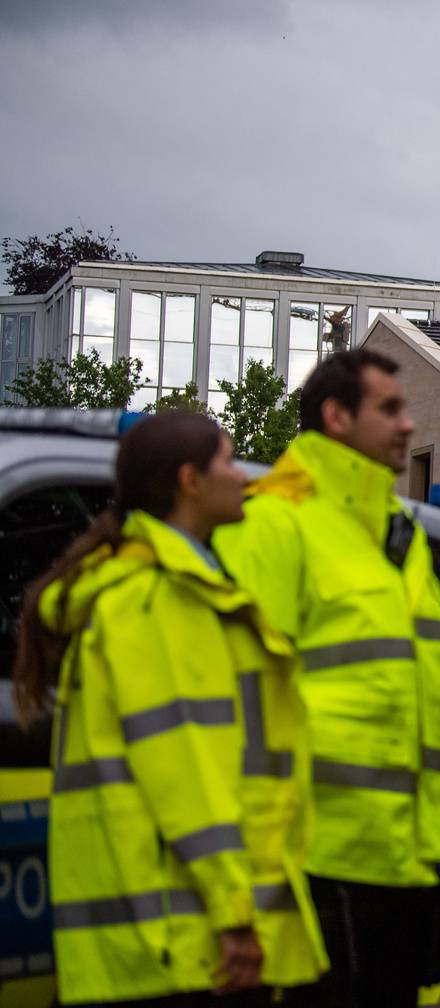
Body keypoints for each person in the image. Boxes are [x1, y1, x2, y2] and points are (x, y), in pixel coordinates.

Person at [14, 413, 325, 1007]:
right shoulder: (155, 600)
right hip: (179, 946)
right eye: (229, 461)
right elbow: (184, 772)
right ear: (190, 482)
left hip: (168, 942)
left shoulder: (170, 587)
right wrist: (236, 917)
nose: (244, 477)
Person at [215, 349, 440, 1008]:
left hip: (400, 858)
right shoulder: (273, 520)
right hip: (315, 869)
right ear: (335, 416)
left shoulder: (391, 533)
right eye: (389, 409)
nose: (409, 425)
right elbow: (237, 705)